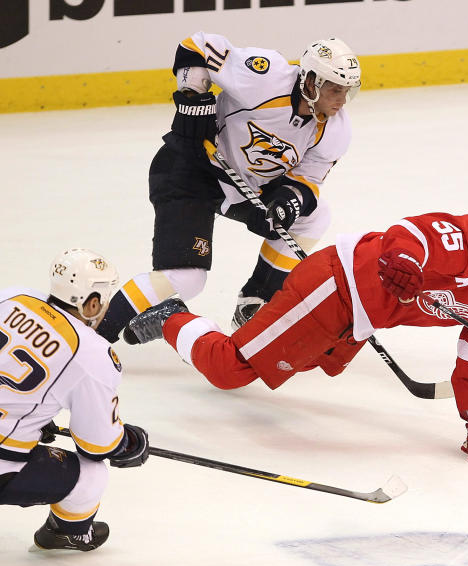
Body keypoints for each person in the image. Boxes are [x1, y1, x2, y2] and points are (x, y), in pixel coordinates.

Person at [126, 194, 468, 461]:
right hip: (336, 285)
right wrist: (402, 260)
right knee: (229, 368)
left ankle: (268, 323)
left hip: (355, 316)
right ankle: (171, 315)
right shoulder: (464, 239)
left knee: (310, 365)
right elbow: (409, 234)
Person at [96, 32, 362, 344]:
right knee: (189, 278)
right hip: (190, 170)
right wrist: (191, 97)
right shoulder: (266, 77)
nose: (342, 100)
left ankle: (256, 299)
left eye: (348, 91)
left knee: (314, 216)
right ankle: (98, 332)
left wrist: (286, 202)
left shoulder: (335, 130)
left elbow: (307, 181)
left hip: (242, 186)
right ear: (312, 81)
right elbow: (195, 46)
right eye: (335, 89)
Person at [0, 249, 150, 552]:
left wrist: (31, 421)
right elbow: (97, 445)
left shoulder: (13, 297)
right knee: (91, 476)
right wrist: (129, 443)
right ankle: (68, 532)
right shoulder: (91, 354)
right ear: (91, 302)